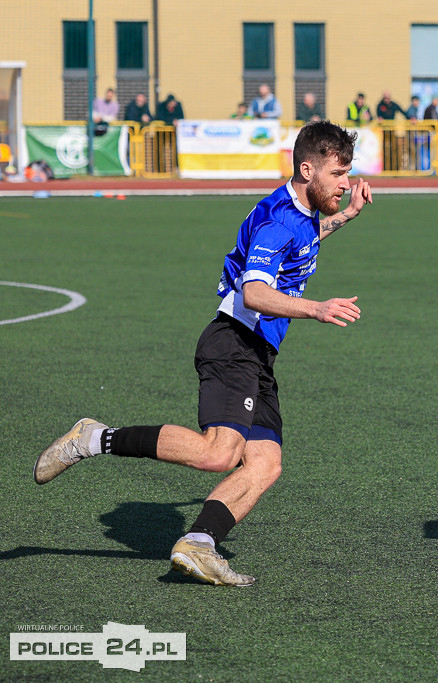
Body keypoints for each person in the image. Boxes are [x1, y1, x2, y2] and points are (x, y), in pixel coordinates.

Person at [34, 121, 375, 587]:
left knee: (265, 463)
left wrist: (346, 215)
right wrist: (316, 308)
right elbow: (254, 292)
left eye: (347, 173)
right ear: (306, 169)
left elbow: (303, 243)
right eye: (338, 174)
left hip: (257, 353)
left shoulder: (297, 213)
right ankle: (92, 438)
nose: (345, 183)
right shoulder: (278, 221)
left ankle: (199, 543)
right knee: (219, 454)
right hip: (233, 343)